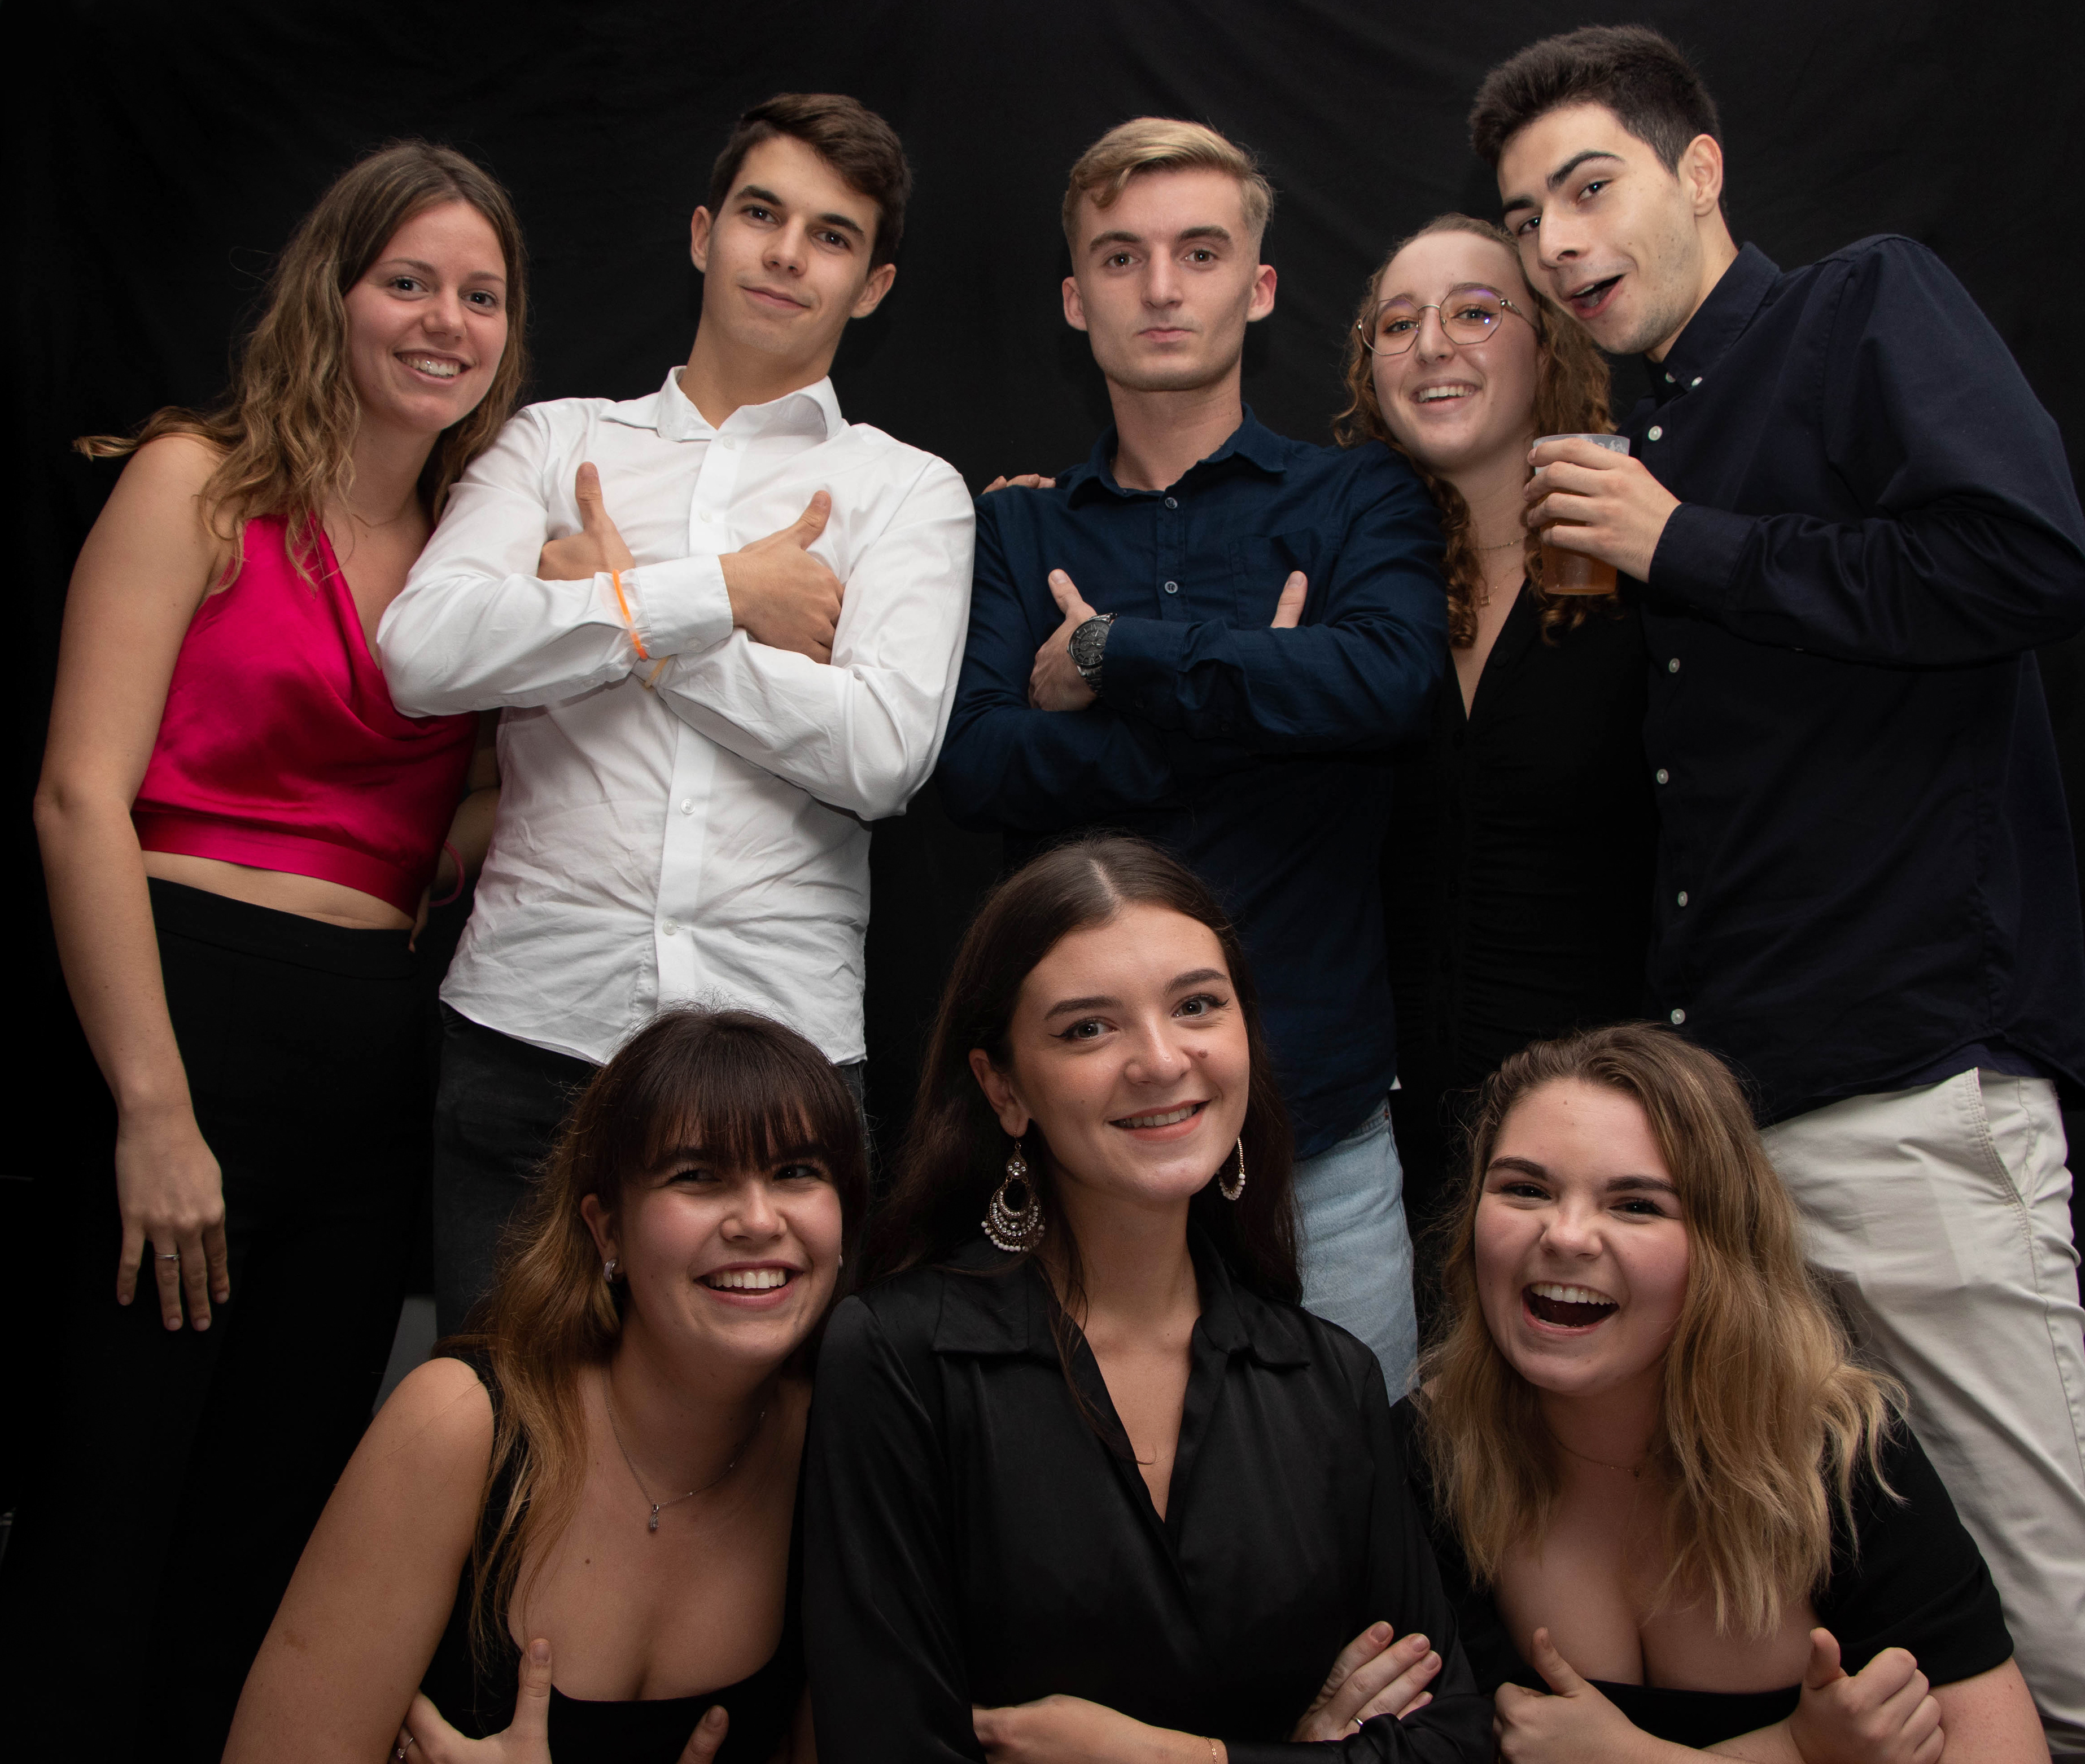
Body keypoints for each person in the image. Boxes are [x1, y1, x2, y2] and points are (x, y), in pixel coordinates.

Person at [1469, 26, 2085, 1756]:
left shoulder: (1861, 306)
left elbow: (2031, 561)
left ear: (1700, 171)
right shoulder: (1640, 426)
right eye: (1526, 216)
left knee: (2055, 1633)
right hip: (1731, 1133)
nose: (1556, 242)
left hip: (1909, 1083)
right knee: (1849, 1619)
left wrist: (1679, 540)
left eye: (1588, 186)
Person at [6, 142, 521, 1760]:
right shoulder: (197, 482)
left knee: (272, 1512)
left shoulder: (476, 543)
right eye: (409, 281)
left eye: (482, 295)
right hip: (175, 1014)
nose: (445, 321)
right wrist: (154, 1109)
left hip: (372, 1053)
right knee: (108, 1498)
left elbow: (490, 785)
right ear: (335, 293)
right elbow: (77, 798)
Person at [378, 92, 975, 1335]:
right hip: (529, 1036)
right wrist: (725, 597)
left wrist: (618, 610)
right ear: (704, 233)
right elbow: (425, 655)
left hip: (780, 1055)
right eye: (761, 214)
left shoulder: (908, 491)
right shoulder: (552, 444)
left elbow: (880, 754)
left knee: (763, 1443)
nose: (786, 254)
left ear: (872, 286)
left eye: (831, 236)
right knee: (496, 1421)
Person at [937, 120, 1448, 1399]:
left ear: (1258, 288)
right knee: (1087, 1508)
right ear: (1076, 298)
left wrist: (1113, 653)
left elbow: (1393, 687)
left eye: (1200, 253)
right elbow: (977, 764)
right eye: (1121, 258)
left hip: (1320, 1149)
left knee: (1362, 1495)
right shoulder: (1016, 529)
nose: (1161, 288)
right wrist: (1257, 697)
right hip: (1081, 1157)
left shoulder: (1360, 500)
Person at [802, 834, 1492, 1763]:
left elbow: (1449, 1741)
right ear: (1003, 1087)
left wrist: (1179, 1759)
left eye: (1198, 1004)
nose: (1162, 1059)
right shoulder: (898, 1360)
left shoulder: (1331, 1379)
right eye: (1089, 1028)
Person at [226, 1006, 859, 1763]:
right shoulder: (459, 1425)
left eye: (796, 1173)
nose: (757, 1220)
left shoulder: (845, 1453)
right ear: (606, 1229)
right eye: (696, 1176)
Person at [1404, 1023, 2048, 1763]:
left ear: (1723, 1249)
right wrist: (1803, 1750)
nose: (1567, 1235)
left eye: (1636, 1205)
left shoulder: (1839, 1452)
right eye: (1525, 1190)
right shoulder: (1424, 1458)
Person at [1335, 213, 1653, 1232]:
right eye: (1398, 324)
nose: (1432, 345)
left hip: (1607, 1158)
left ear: (1549, 342)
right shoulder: (1352, 581)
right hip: (1383, 1164)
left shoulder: (1647, 561)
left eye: (1474, 312)